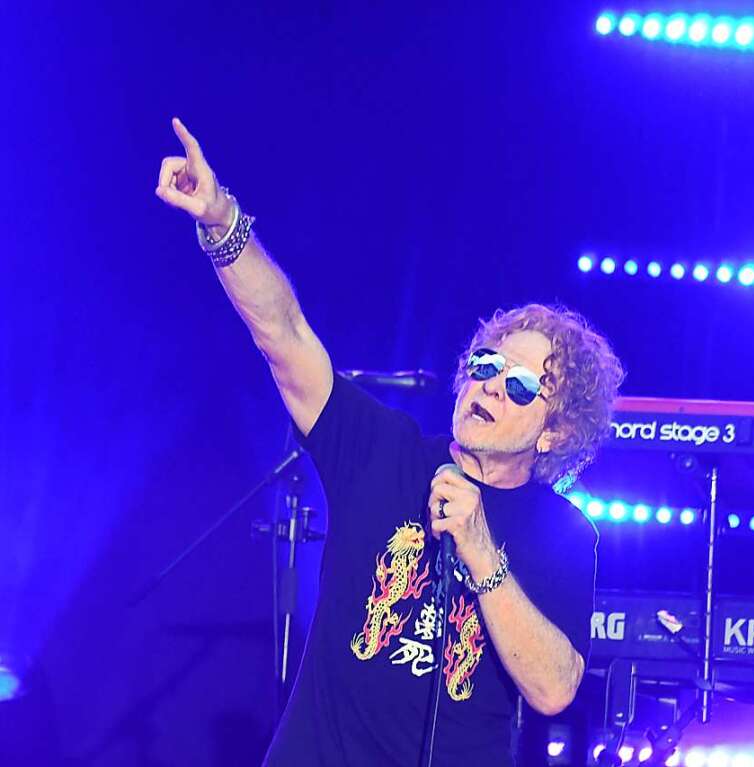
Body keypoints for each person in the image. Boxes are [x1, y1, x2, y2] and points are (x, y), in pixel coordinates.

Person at [155, 117, 624, 767]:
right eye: (484, 366)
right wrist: (220, 221)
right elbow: (284, 333)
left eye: (518, 386)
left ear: (557, 430)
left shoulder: (561, 532)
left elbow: (552, 688)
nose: (487, 387)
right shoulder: (384, 451)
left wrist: (481, 550)